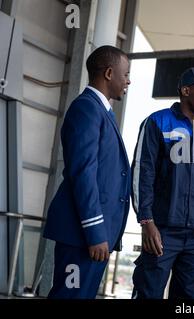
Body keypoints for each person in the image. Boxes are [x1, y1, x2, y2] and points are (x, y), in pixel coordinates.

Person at [131, 67, 194, 299]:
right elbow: (142, 175)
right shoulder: (157, 122)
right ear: (186, 91)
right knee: (148, 294)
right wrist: (146, 221)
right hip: (162, 231)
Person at [43, 45, 131, 299]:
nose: (128, 81)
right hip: (83, 236)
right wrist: (95, 232)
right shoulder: (86, 108)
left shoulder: (102, 111)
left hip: (94, 237)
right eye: (125, 75)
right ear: (109, 73)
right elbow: (83, 174)